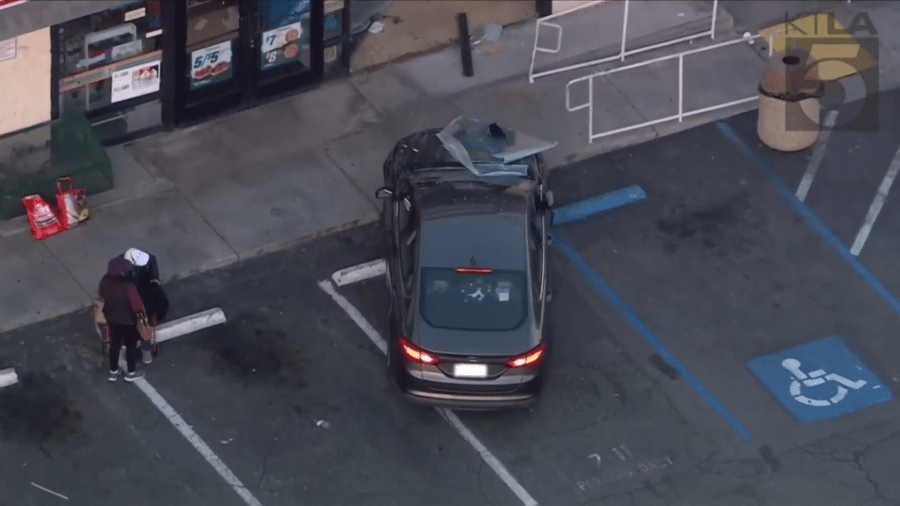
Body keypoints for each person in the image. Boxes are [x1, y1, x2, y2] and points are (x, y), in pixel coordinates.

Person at [98, 258, 146, 382]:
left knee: (114, 345)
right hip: (128, 322)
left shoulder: (105, 280)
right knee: (130, 346)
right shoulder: (129, 287)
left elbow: (101, 295)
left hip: (111, 319)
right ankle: (131, 373)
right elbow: (138, 306)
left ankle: (113, 371)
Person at [120, 247, 168, 364]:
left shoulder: (143, 256)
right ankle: (131, 348)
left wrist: (154, 281)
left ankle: (145, 348)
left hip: (144, 288)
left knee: (150, 312)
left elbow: (153, 263)